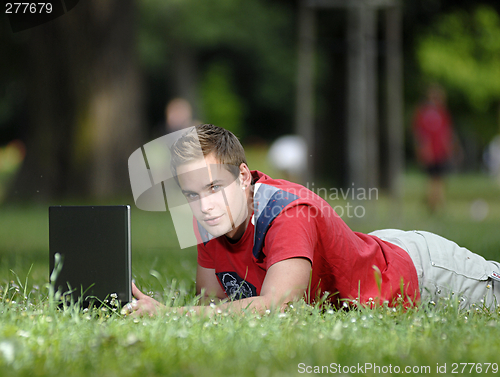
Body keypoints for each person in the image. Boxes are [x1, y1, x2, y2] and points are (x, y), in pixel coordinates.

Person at [128, 124, 500, 317]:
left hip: (418, 273)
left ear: (243, 177)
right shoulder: (210, 216)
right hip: (364, 254)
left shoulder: (287, 213)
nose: (203, 205)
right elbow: (210, 301)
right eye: (191, 194)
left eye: (213, 187)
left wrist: (169, 315)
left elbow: (276, 306)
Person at [412, 84, 457, 212]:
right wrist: (422, 150)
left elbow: (447, 133)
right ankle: (436, 203)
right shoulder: (425, 113)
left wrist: (449, 148)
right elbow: (420, 134)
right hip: (431, 152)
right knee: (434, 179)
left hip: (440, 151)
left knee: (438, 179)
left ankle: (435, 202)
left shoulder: (442, 113)